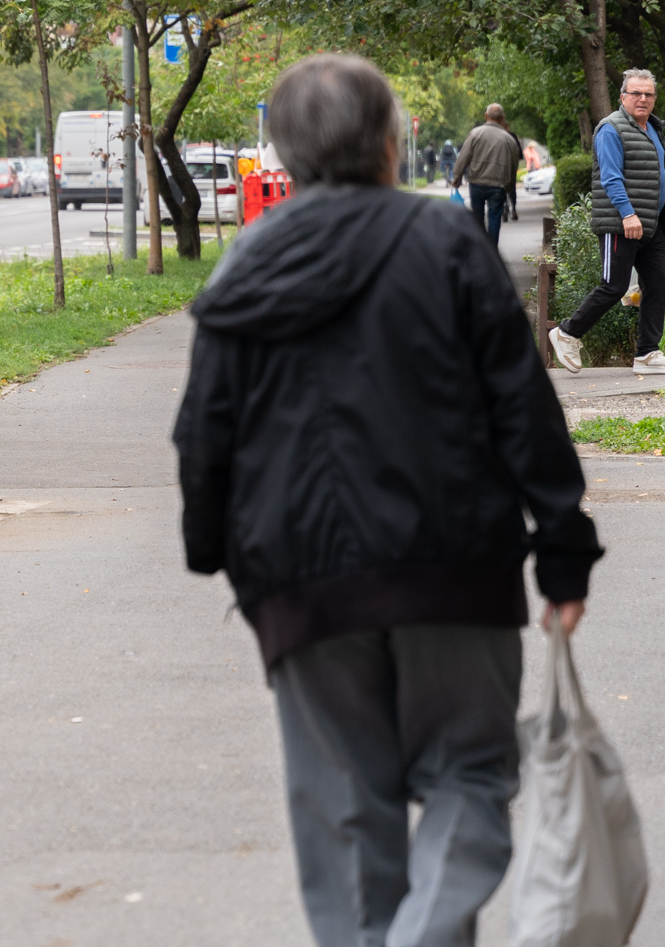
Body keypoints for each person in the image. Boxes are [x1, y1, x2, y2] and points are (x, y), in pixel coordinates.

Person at [175, 53, 601, 947]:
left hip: (299, 578)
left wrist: (217, 548)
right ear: (392, 141)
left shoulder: (245, 267)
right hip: (454, 567)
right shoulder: (446, 245)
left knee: (345, 811)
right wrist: (562, 545)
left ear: (284, 154)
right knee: (469, 779)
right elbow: (521, 405)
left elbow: (204, 431)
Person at [550, 69, 665, 377]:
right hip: (621, 223)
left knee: (658, 285)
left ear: (654, 99)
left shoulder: (653, 128)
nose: (642, 99)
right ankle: (567, 333)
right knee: (614, 286)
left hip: (649, 225)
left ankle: (647, 353)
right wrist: (627, 213)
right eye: (636, 93)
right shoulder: (611, 129)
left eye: (648, 94)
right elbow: (610, 178)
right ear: (623, 97)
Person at [449, 103, 521, 246]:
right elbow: (514, 164)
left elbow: (463, 156)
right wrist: (510, 184)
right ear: (502, 118)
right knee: (494, 218)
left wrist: (456, 176)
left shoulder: (475, 133)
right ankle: (492, 251)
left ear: (486, 116)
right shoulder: (509, 139)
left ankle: (480, 250)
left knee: (478, 218)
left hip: (477, 183)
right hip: (498, 185)